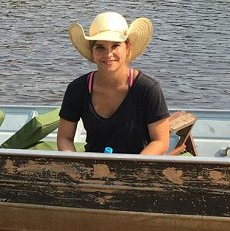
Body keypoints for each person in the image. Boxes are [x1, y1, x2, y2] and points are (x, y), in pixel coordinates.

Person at [57, 12, 170, 154]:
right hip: (91, 169)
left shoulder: (147, 89)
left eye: (115, 46)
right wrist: (75, 164)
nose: (108, 54)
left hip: (138, 169)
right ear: (91, 51)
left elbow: (160, 141)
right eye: (100, 47)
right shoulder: (77, 89)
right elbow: (64, 138)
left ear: (128, 47)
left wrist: (133, 167)